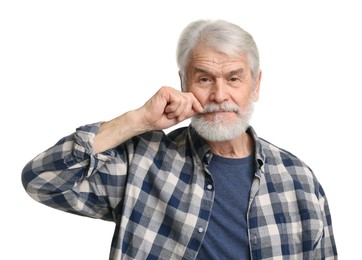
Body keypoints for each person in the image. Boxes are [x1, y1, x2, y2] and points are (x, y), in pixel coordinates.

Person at [22, 19, 337, 259]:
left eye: (234, 79)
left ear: (255, 86)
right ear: (183, 83)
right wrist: (137, 120)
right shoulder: (144, 163)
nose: (219, 95)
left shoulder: (300, 182)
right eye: (203, 79)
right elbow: (42, 180)